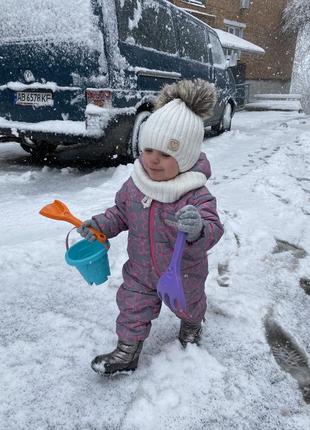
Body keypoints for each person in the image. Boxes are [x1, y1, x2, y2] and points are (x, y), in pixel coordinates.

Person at [78, 79, 224, 375]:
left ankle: (192, 324)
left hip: (182, 272)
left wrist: (197, 228)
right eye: (148, 150)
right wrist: (100, 226)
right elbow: (120, 213)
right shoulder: (135, 186)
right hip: (141, 269)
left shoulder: (195, 193)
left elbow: (213, 227)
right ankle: (127, 350)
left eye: (167, 154)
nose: (154, 160)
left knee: (190, 304)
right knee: (131, 304)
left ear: (185, 159)